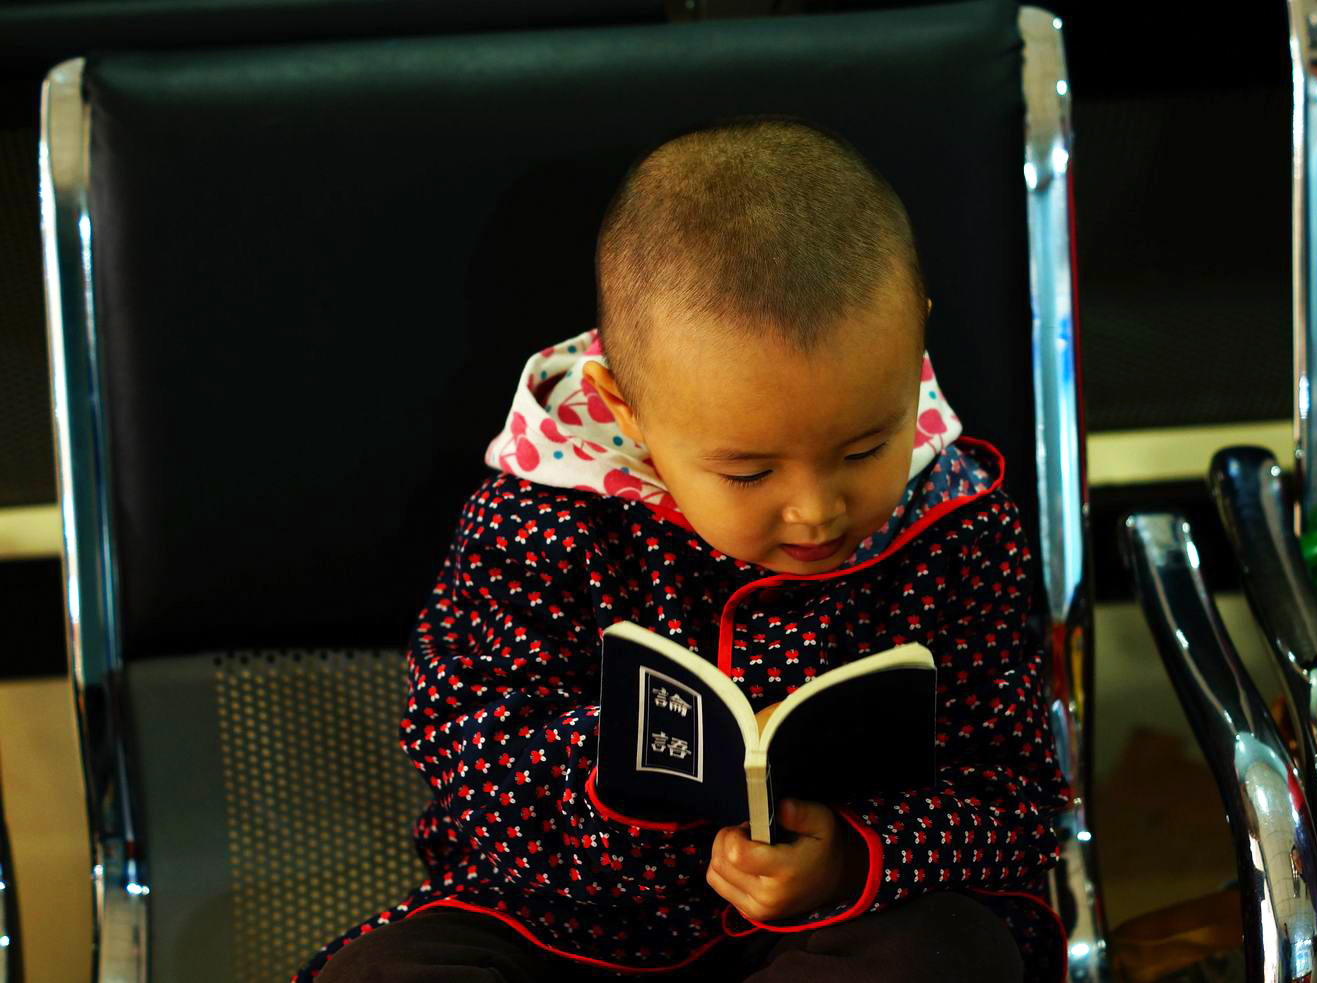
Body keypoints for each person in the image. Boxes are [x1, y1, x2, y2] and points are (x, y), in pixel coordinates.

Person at [297, 116, 1069, 982]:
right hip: (568, 921)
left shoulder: (958, 522)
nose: (816, 511)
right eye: (748, 472)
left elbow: (1018, 795)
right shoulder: (538, 517)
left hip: (843, 922)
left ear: (917, 340)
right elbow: (466, 742)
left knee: (950, 954)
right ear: (622, 407)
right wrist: (628, 790)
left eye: (866, 448)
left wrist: (857, 856)